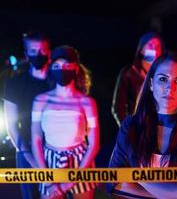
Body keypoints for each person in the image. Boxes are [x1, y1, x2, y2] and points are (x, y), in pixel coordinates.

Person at [108, 52, 177, 199]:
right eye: (163, 79)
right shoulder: (131, 126)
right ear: (150, 84)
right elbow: (113, 180)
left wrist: (138, 179)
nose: (170, 88)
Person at [31, 45, 100, 199]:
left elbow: (94, 144)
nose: (61, 69)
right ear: (51, 69)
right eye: (57, 66)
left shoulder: (87, 102)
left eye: (67, 65)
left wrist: (72, 180)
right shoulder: (40, 101)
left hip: (81, 162)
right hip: (49, 162)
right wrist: (47, 179)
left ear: (76, 68)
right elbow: (36, 139)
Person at [3, 31, 51, 199]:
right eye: (33, 51)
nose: (38, 54)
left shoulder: (58, 82)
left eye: (42, 50)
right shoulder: (15, 84)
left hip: (58, 150)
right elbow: (12, 126)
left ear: (49, 52)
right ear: (26, 54)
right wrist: (31, 159)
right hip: (26, 150)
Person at [111, 32, 165, 127]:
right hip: (136, 128)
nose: (154, 48)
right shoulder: (129, 73)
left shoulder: (165, 74)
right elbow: (118, 107)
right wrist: (127, 128)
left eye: (157, 45)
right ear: (141, 49)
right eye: (150, 44)